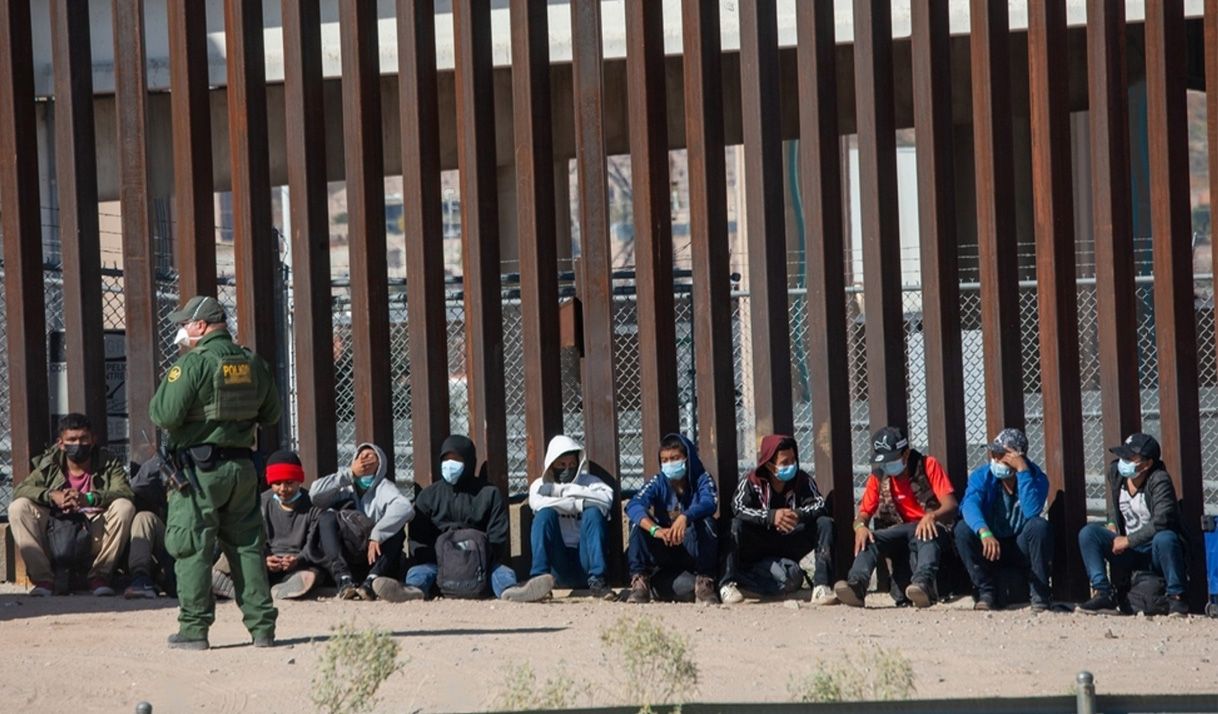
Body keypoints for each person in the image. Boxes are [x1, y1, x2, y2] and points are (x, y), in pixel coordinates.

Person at [149, 295, 280, 650]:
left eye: (184, 324)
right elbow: (271, 414)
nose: (181, 331)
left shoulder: (193, 364)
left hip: (198, 473)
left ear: (201, 325)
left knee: (191, 546)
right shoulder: (253, 362)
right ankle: (262, 628)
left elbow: (163, 415)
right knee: (248, 547)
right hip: (241, 468)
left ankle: (194, 630)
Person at [405, 435, 554, 602]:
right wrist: (444, 558)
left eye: (457, 459)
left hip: (480, 564)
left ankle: (511, 591)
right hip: (441, 564)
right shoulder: (428, 496)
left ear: (469, 462)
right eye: (446, 459)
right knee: (418, 572)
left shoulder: (489, 494)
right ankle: (413, 591)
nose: (450, 465)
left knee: (503, 572)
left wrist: (479, 558)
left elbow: (498, 536)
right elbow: (418, 539)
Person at [8, 413, 136, 597]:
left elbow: (125, 491)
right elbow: (20, 489)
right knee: (18, 507)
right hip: (56, 533)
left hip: (94, 531)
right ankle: (44, 579)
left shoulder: (108, 462)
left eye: (84, 439)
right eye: (72, 439)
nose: (78, 444)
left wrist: (89, 499)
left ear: (93, 440)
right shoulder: (50, 463)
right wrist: (52, 496)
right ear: (61, 443)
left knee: (125, 506)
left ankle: (99, 576)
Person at [834, 426, 958, 608]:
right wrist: (860, 527)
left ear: (906, 454)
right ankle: (857, 585)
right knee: (870, 539)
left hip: (930, 528)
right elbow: (863, 514)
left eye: (891, 460)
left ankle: (923, 584)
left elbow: (951, 504)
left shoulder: (927, 465)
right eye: (882, 461)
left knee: (926, 533)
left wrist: (932, 516)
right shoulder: (878, 477)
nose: (886, 465)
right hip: (897, 531)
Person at [1077, 433, 1188, 617]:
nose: (1124, 462)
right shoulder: (1116, 473)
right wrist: (1112, 523)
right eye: (1122, 456)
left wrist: (1128, 540)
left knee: (1166, 537)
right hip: (1128, 551)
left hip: (1154, 551)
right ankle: (1103, 592)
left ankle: (1176, 597)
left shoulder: (1159, 480)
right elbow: (1115, 505)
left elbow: (1161, 522)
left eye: (1130, 458)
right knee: (1089, 534)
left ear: (1147, 463)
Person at [720, 434, 836, 606]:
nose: (790, 466)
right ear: (769, 465)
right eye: (784, 463)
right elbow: (738, 508)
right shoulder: (751, 482)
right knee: (734, 526)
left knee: (824, 522)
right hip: (759, 541)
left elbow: (819, 505)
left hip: (789, 539)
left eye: (792, 460)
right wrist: (771, 517)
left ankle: (821, 586)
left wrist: (797, 514)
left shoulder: (802, 480)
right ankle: (727, 584)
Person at [955, 428, 1053, 611]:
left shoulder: (1037, 479)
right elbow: (968, 505)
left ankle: (1040, 595)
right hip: (990, 545)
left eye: (1002, 454)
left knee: (1039, 526)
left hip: (1019, 545)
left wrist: (1022, 470)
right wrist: (984, 531)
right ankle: (985, 592)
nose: (996, 459)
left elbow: (1032, 510)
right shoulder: (982, 476)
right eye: (994, 453)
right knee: (962, 529)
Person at [309, 442, 417, 602]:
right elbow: (315, 495)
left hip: (374, 555)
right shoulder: (345, 486)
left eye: (369, 456)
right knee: (327, 517)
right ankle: (343, 579)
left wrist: (378, 534)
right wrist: (349, 473)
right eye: (360, 456)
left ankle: (372, 581)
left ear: (379, 464)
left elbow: (405, 507)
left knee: (397, 531)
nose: (363, 459)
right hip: (349, 552)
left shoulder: (384, 487)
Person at [624, 433, 719, 605]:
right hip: (664, 544)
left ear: (687, 458)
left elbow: (709, 503)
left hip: (691, 546)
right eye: (665, 460)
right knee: (637, 524)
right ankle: (640, 582)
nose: (669, 464)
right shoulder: (658, 482)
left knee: (707, 522)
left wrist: (685, 516)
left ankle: (705, 582)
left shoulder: (702, 479)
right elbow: (634, 504)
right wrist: (655, 529)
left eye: (675, 458)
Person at [527, 435, 614, 599]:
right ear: (552, 465)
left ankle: (599, 581)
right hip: (557, 566)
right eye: (562, 464)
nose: (567, 469)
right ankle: (539, 581)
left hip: (586, 561)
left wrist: (559, 491)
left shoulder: (592, 482)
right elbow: (538, 504)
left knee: (594, 513)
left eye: (572, 464)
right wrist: (581, 503)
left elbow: (606, 500)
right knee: (544, 514)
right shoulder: (539, 485)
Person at [123, 454, 174, 599]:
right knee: (144, 518)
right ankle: (140, 579)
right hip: (174, 536)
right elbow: (137, 484)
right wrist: (166, 456)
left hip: (209, 538)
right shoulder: (171, 462)